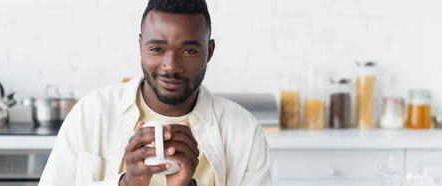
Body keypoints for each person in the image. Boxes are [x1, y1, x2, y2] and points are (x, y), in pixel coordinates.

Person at [37, 0, 272, 185]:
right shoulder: (90, 114)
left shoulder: (243, 131)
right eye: (157, 49)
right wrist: (127, 184)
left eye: (189, 51)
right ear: (141, 47)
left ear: (209, 52)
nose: (170, 66)